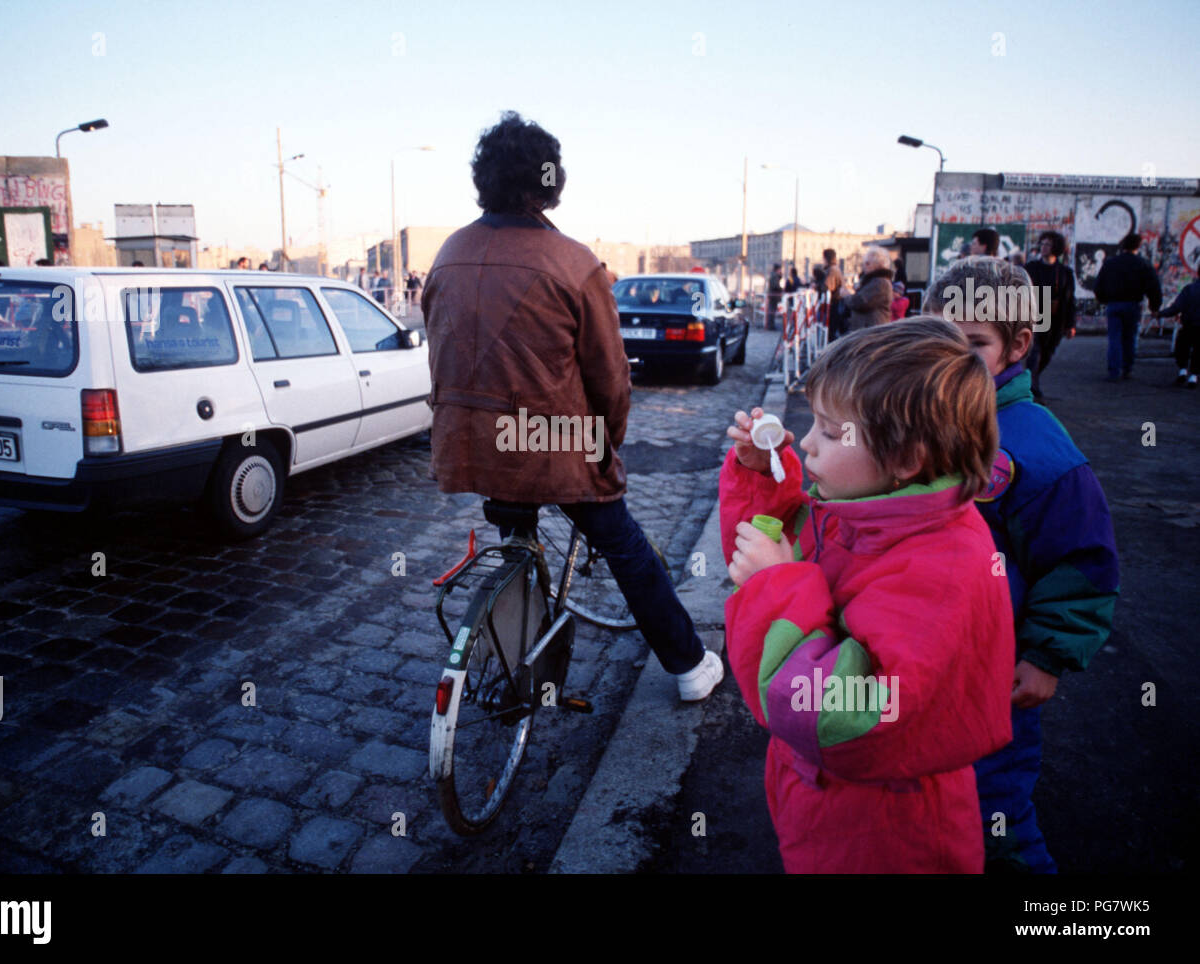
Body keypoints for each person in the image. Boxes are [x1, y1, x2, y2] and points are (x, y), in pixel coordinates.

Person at [422, 110, 722, 702]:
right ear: (548, 183)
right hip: (550, 443)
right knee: (623, 544)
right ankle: (688, 666)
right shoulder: (574, 261)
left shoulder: (448, 251)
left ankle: (515, 652)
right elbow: (610, 377)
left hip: (467, 441)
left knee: (514, 533)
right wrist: (605, 444)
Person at [719, 318, 1014, 872]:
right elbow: (770, 542)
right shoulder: (868, 513)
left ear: (906, 458)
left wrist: (773, 586)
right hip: (831, 806)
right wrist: (765, 474)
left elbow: (839, 714)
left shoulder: (942, 567)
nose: (805, 442)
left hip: (886, 835)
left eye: (831, 433)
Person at [926, 256, 1120, 873]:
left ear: (1018, 344)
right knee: (930, 807)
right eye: (940, 340)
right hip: (925, 660)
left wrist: (1045, 656)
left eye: (974, 344)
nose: (953, 359)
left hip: (996, 677)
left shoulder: (1037, 447)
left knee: (995, 814)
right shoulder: (925, 420)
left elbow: (1081, 561)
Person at [1093, 232, 1162, 381]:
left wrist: (1104, 300)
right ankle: (1127, 368)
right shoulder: (1143, 264)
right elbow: (1153, 287)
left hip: (1114, 304)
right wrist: (1154, 307)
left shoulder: (1111, 263)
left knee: (1114, 338)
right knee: (1129, 338)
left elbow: (1099, 285)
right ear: (1138, 246)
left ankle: (1114, 370)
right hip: (1133, 304)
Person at [1024, 231, 1077, 401]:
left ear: (1056, 247)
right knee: (1035, 351)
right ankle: (1033, 388)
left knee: (1047, 353)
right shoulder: (1031, 268)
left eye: (1047, 244)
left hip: (1056, 318)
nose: (1043, 247)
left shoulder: (1064, 272)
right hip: (1035, 315)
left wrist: (1071, 324)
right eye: (1042, 243)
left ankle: (1032, 380)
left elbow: (1069, 299)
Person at [1158, 270, 1200, 388]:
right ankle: (1194, 376)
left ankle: (1182, 370)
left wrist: (1161, 314)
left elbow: (1176, 307)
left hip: (1188, 324)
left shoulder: (1189, 289)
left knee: (1183, 347)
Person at [841, 247, 893, 329]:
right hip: (867, 330)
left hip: (872, 331)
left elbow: (860, 302)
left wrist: (847, 296)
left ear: (879, 265)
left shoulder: (880, 282)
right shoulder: (873, 281)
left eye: (868, 263)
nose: (864, 266)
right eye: (864, 263)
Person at [766, 263, 783, 330]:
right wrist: (781, 289)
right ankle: (770, 325)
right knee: (772, 310)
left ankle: (770, 325)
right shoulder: (774, 275)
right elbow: (775, 286)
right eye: (780, 269)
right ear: (777, 269)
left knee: (772, 310)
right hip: (773, 295)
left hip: (773, 295)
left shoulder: (773, 275)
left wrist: (780, 275)